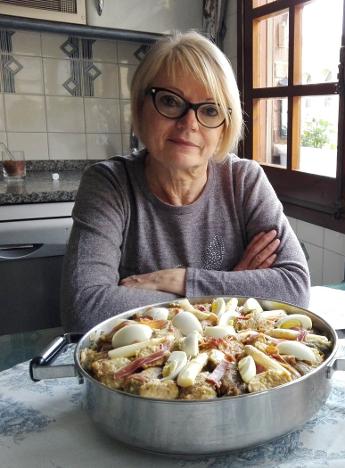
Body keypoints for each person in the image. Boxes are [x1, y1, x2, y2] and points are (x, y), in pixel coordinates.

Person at [60, 31, 310, 332]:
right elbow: (83, 310)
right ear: (141, 108)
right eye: (169, 101)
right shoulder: (109, 184)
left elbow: (295, 288)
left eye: (209, 109)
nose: (189, 123)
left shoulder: (245, 179)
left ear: (224, 126)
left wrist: (180, 280)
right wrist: (229, 292)